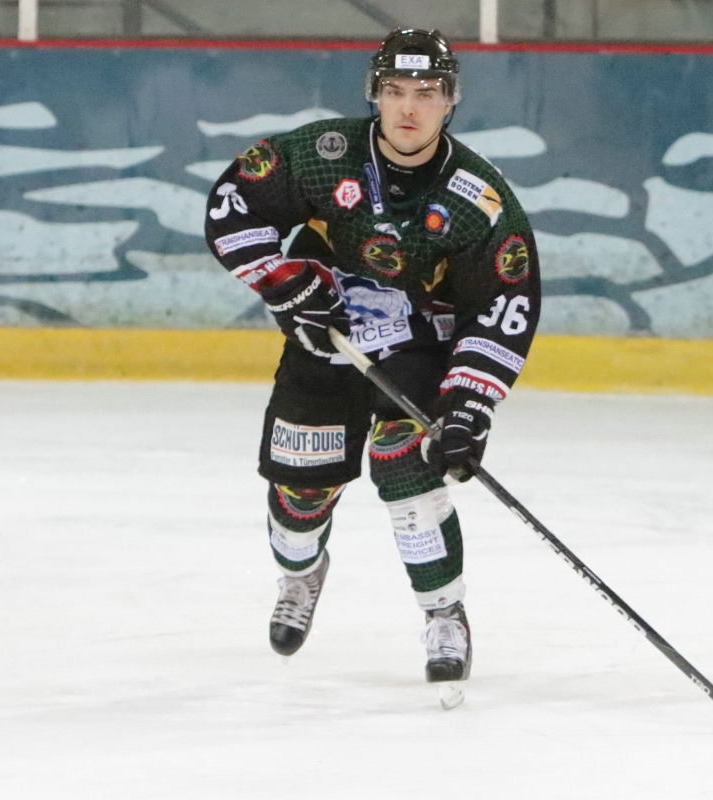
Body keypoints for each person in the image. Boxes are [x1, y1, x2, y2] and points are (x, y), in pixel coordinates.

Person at [204, 28, 540, 700]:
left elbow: (503, 305)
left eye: (427, 92)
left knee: (405, 463)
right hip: (324, 346)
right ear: (374, 95)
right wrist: (283, 280)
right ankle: (301, 573)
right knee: (300, 499)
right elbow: (232, 205)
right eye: (395, 91)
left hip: (418, 346)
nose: (409, 107)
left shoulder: (479, 198)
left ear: (451, 100)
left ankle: (444, 614)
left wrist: (468, 405)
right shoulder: (324, 154)